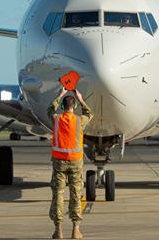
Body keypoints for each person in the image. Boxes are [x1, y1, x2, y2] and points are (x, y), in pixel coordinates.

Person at [47, 87, 94, 239]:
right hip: (75, 162)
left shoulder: (56, 119)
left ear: (62, 106)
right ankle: (76, 229)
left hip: (59, 162)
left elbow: (50, 110)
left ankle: (58, 230)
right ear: (74, 107)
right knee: (76, 194)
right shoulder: (80, 120)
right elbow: (90, 113)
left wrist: (59, 95)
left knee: (58, 195)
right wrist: (80, 99)